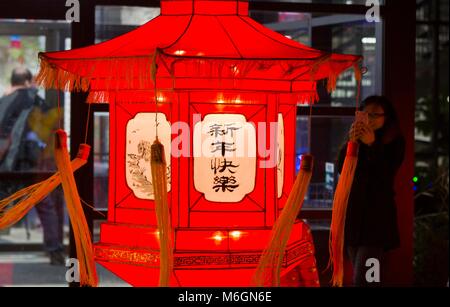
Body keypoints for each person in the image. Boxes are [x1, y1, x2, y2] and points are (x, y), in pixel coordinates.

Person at [336, 95, 405, 286]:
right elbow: (342, 168)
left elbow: (386, 173)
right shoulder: (356, 140)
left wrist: (373, 144)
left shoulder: (395, 142)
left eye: (375, 115)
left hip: (376, 222)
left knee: (366, 279)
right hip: (353, 219)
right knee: (358, 273)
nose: (369, 119)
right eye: (365, 114)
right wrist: (351, 142)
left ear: (386, 118)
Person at [0, 67, 66, 265]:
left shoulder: (3, 102)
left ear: (12, 81)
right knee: (45, 207)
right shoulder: (35, 100)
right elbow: (50, 128)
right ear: (28, 81)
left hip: (4, 167)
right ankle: (54, 251)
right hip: (31, 166)